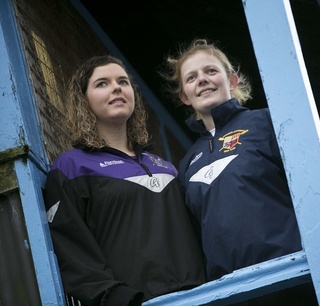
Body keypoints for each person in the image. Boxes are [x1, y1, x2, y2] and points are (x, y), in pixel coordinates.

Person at [162, 39, 317, 305]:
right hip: (233, 292)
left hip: (294, 275)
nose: (202, 79)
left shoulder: (268, 121)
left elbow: (314, 190)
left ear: (231, 81)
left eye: (211, 71)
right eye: (191, 77)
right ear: (184, 97)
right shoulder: (187, 165)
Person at [43, 55, 206, 306]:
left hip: (201, 296)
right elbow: (71, 250)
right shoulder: (71, 167)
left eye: (123, 81)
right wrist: (118, 298)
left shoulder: (168, 168)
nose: (117, 87)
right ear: (83, 101)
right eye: (102, 83)